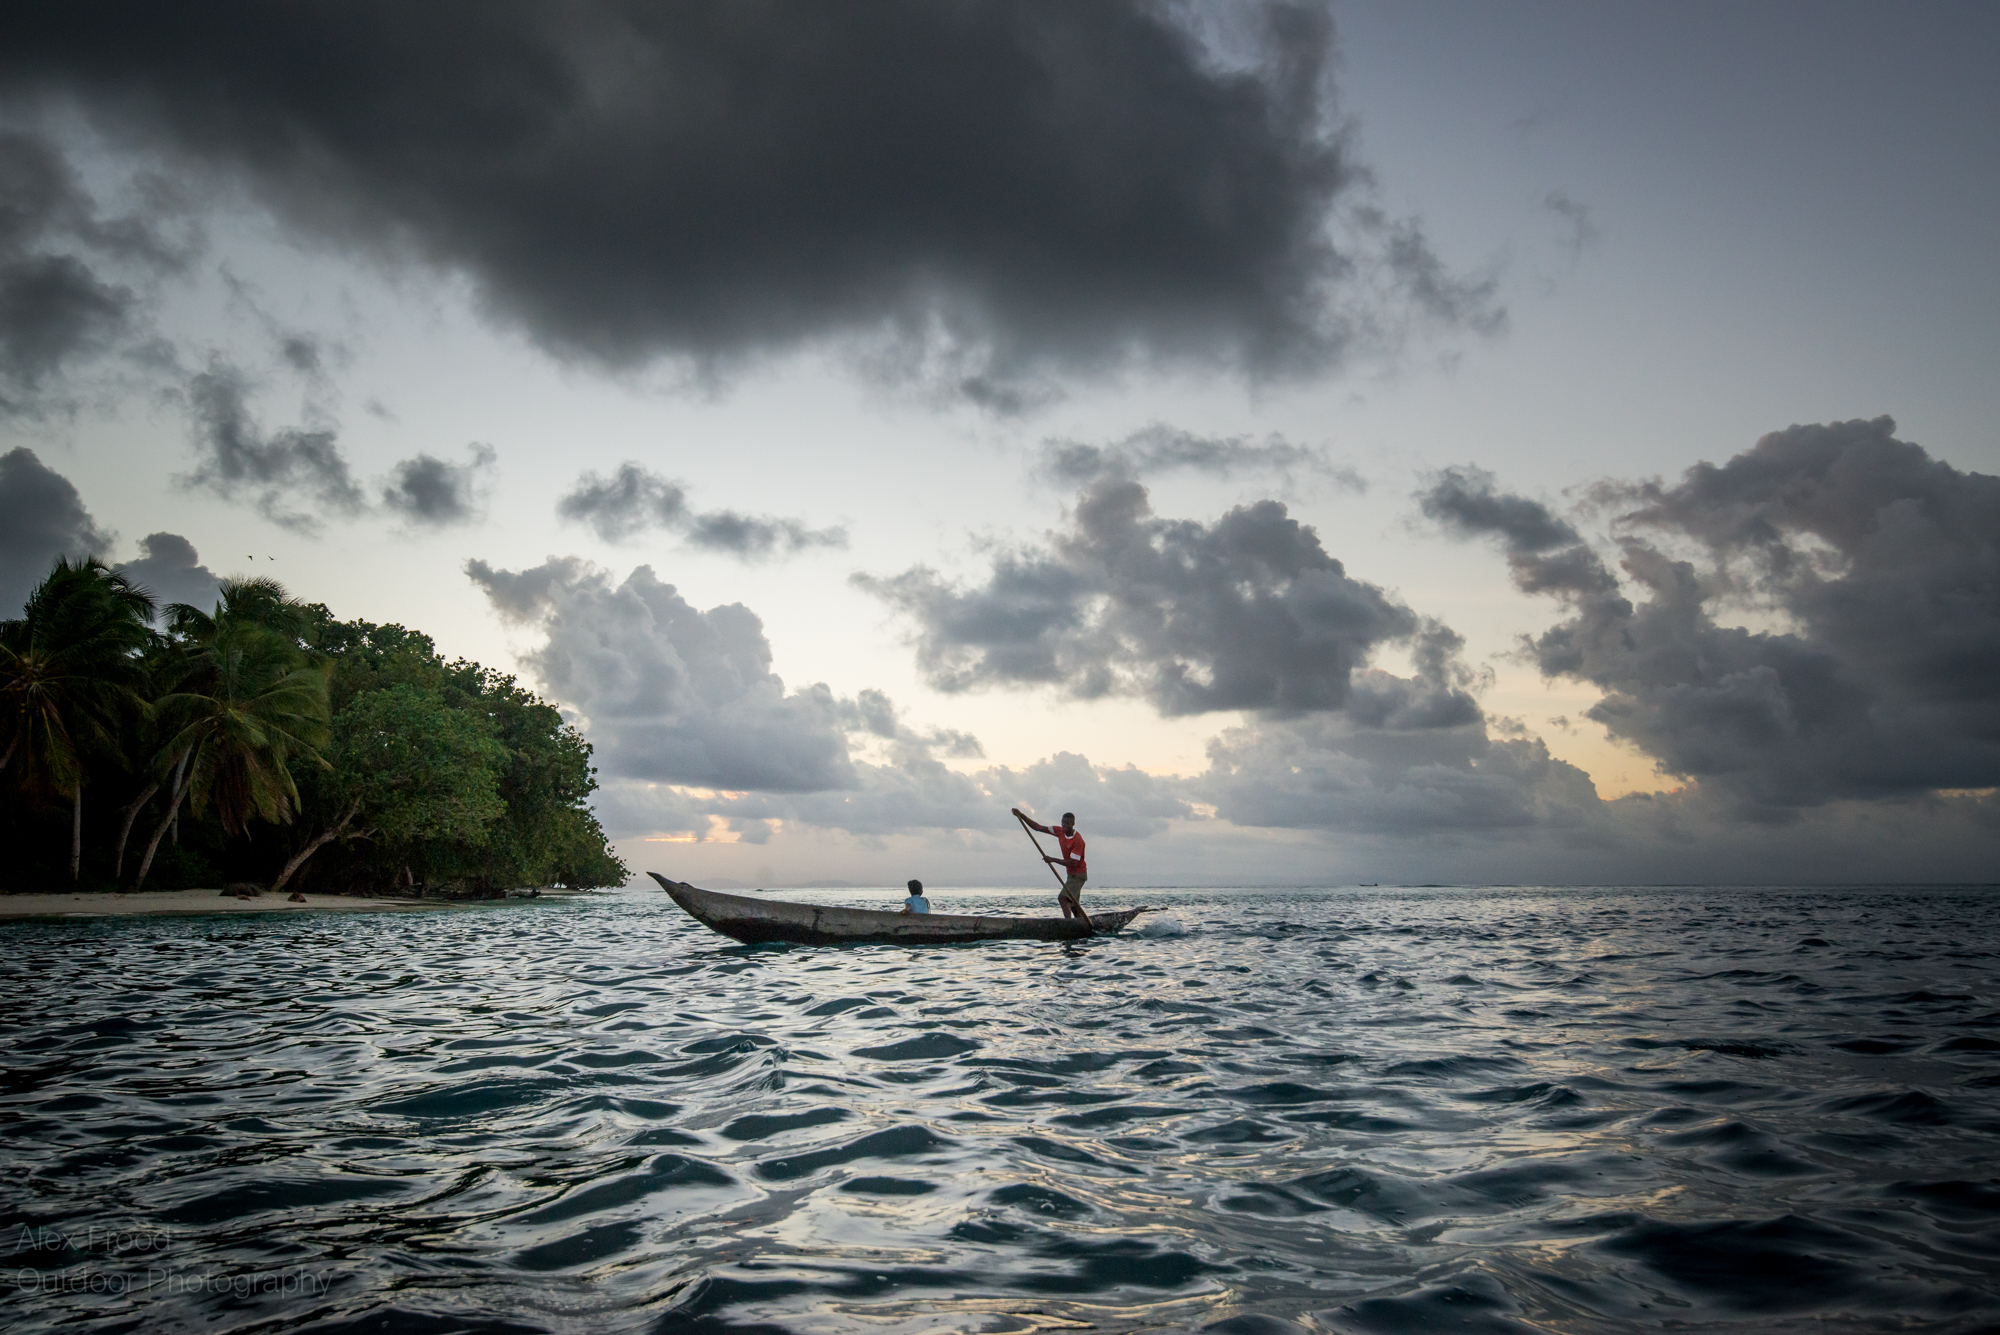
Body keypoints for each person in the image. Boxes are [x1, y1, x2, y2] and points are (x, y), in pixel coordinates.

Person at [1012, 808, 1088, 921]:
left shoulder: (1078, 840)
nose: (1064, 825)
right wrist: (1022, 816)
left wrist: (1052, 859)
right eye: (1063, 822)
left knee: (1063, 898)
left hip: (1078, 875)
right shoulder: (1059, 831)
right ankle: (1081, 924)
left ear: (1073, 824)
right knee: (1073, 905)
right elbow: (1037, 827)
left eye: (1067, 823)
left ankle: (1068, 924)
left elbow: (1073, 863)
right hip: (1071, 875)